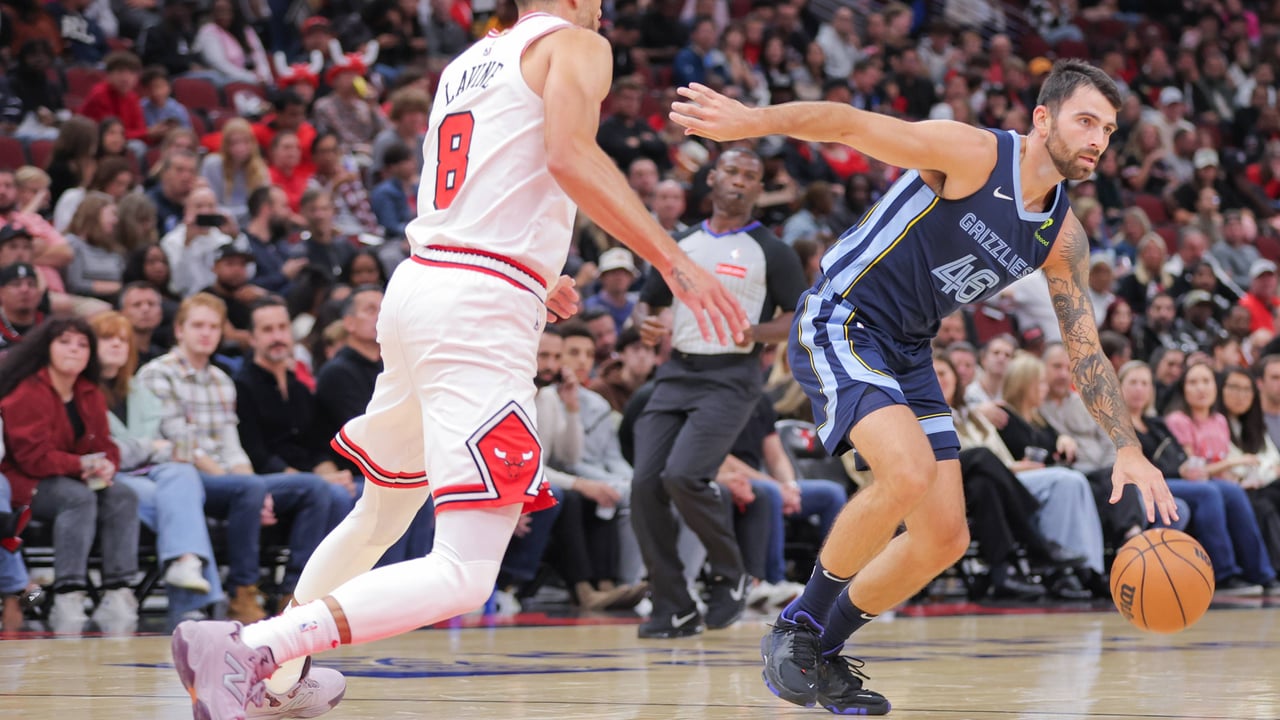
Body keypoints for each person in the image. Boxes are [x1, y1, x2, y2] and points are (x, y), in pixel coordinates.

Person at [168, 2, 749, 718]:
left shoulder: (474, 59)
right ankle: (253, 646)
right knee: (467, 570)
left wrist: (536, 271)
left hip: (424, 282)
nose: (604, 5)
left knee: (379, 514)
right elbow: (570, 156)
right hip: (476, 311)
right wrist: (674, 260)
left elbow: (495, 182)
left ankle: (276, 679)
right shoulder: (574, 42)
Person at [669, 60, 1177, 713]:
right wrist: (752, 122)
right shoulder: (972, 154)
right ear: (1043, 118)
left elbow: (1083, 345)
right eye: (1085, 120)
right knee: (903, 473)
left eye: (1107, 128)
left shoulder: (1060, 233)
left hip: (907, 350)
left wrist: (1127, 446)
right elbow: (849, 124)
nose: (1098, 139)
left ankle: (822, 650)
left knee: (944, 538)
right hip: (844, 316)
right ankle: (795, 629)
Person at [630, 147, 808, 639]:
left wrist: (753, 332)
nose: (740, 181)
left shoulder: (773, 251)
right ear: (712, 178)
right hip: (676, 373)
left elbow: (796, 319)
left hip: (733, 376)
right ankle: (674, 602)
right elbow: (645, 306)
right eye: (732, 171)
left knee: (684, 476)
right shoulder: (680, 243)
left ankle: (732, 574)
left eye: (751, 176)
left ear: (757, 189)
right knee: (644, 484)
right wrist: (645, 325)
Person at [0, 318, 140, 632]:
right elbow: (31, 458)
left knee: (123, 495)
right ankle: (68, 593)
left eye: (82, 344)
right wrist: (82, 465)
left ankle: (118, 591)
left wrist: (107, 464)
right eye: (65, 342)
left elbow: (106, 446)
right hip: (27, 480)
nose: (74, 350)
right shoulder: (25, 392)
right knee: (76, 498)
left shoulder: (89, 392)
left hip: (74, 475)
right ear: (46, 348)